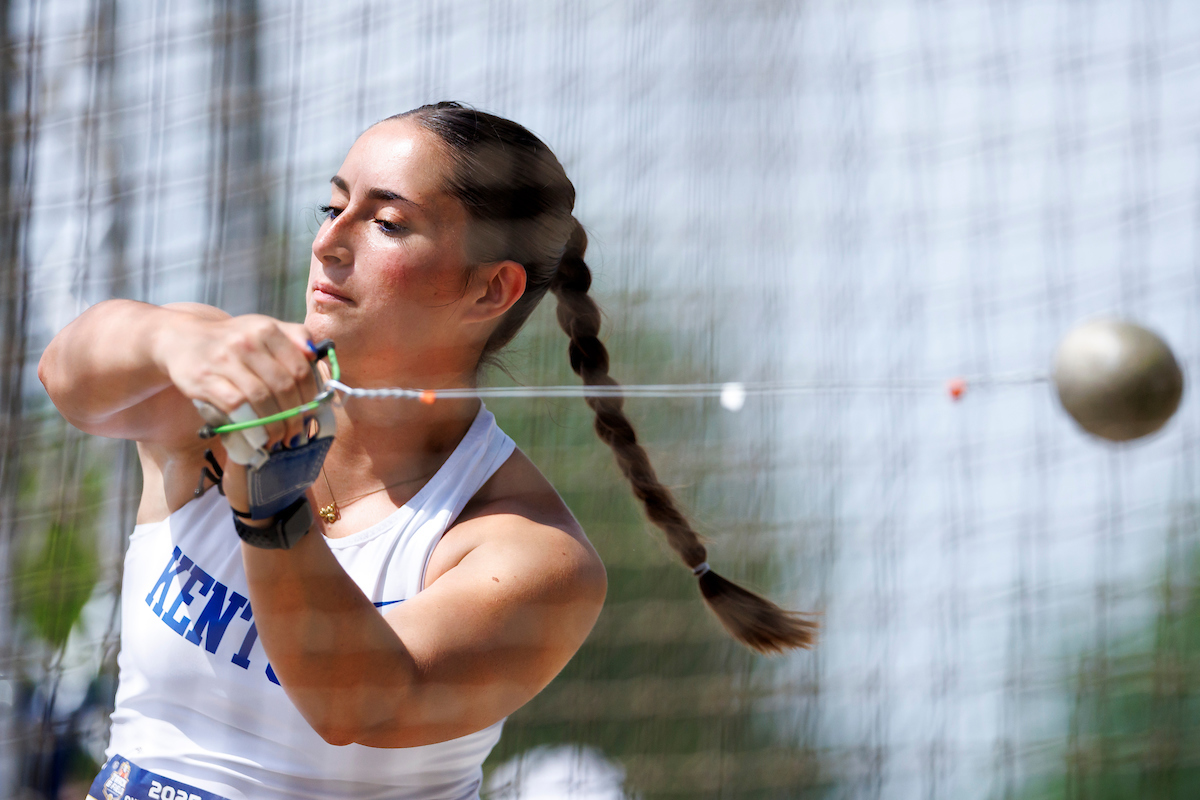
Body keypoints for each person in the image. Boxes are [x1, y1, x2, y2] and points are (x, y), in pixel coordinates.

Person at [41, 102, 815, 800]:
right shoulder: (219, 372)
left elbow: (360, 705)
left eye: (386, 223)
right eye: (332, 206)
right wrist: (171, 341)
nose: (328, 242)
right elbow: (65, 376)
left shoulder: (529, 549)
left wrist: (272, 506)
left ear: (490, 290)